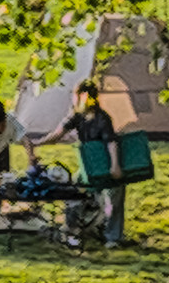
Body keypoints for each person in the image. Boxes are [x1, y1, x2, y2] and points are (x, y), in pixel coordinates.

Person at [32, 81, 131, 249]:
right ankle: (72, 228)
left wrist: (115, 166)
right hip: (89, 166)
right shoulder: (76, 115)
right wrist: (38, 142)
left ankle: (112, 237)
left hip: (106, 164)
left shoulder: (102, 118)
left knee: (114, 195)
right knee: (73, 191)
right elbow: (58, 133)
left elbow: (111, 143)